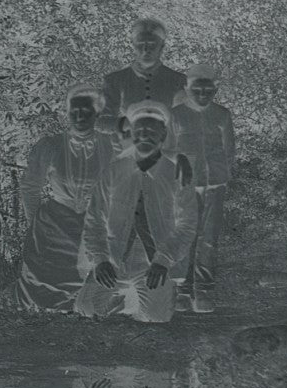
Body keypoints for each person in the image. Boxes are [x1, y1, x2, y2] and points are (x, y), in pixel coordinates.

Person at [75, 100, 198, 323]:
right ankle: (122, 296)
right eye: (139, 130)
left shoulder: (178, 175)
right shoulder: (114, 171)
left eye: (151, 130)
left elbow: (187, 225)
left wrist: (163, 260)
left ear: (163, 136)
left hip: (153, 262)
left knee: (155, 318)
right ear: (131, 134)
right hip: (115, 257)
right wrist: (101, 260)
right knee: (86, 308)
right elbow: (95, 219)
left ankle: (146, 295)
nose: (144, 135)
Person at [9, 84, 115, 313]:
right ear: (67, 113)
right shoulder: (51, 146)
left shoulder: (110, 147)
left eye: (86, 111)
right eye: (74, 111)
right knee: (40, 298)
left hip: (93, 225)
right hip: (54, 228)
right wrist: (36, 222)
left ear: (97, 113)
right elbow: (30, 186)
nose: (79, 117)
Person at [170, 65, 236, 313]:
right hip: (186, 186)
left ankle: (205, 289)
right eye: (196, 89)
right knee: (187, 235)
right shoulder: (176, 115)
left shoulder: (222, 115)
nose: (202, 94)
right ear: (187, 89)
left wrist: (222, 175)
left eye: (208, 90)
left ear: (216, 89)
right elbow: (167, 150)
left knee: (209, 238)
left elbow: (229, 150)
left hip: (216, 184)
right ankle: (183, 291)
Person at [98, 18, 188, 143]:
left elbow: (184, 121)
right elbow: (102, 121)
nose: (146, 49)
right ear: (133, 44)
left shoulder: (178, 80)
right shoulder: (115, 80)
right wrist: (128, 123)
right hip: (127, 148)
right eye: (141, 43)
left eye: (152, 43)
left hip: (166, 148)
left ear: (162, 46)